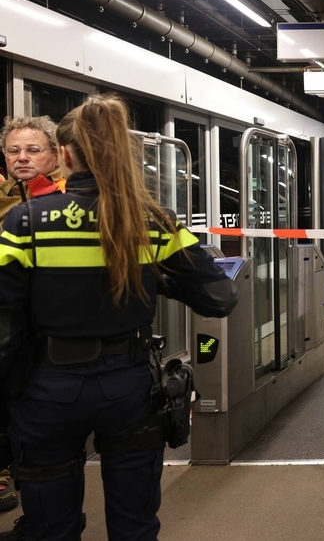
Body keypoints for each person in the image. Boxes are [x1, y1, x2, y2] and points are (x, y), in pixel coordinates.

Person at [0, 94, 238, 540]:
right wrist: (158, 278)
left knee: (50, 526)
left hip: (46, 390)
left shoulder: (25, 221)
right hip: (130, 388)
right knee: (134, 524)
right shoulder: (153, 221)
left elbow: (4, 323)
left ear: (64, 155)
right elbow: (219, 297)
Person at [0, 116, 65, 520]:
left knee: (43, 437)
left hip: (47, 335)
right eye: (13, 151)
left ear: (55, 156)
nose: (22, 158)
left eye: (33, 150)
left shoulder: (67, 200)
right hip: (4, 328)